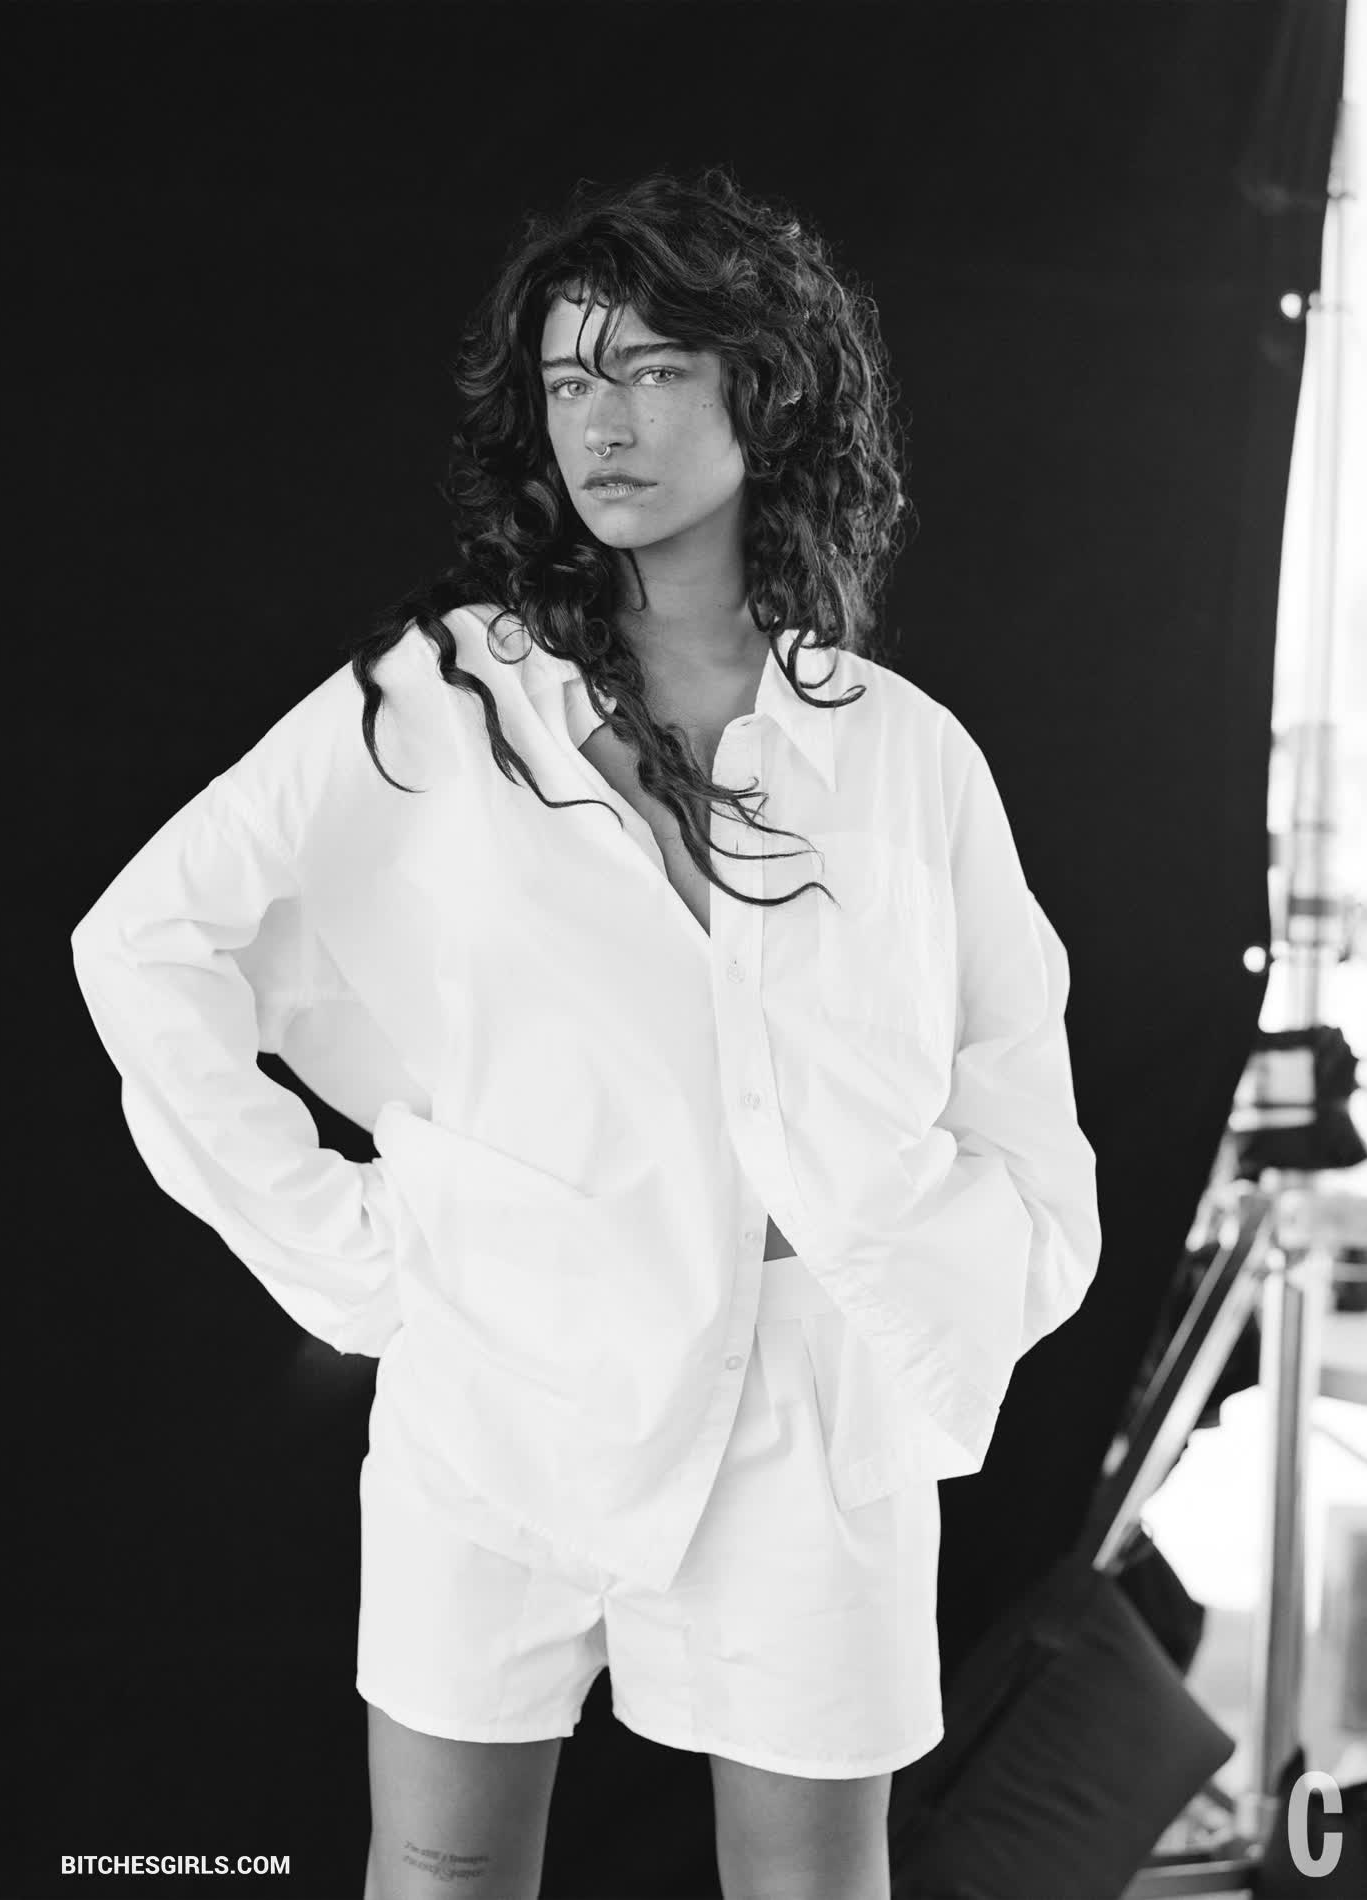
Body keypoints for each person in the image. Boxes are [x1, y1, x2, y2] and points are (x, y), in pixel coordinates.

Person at [69, 167, 1102, 1900]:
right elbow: (145, 944)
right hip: (506, 1364)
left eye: (649, 371)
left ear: (763, 391)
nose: (600, 424)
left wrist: (941, 1282)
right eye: (566, 380)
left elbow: (1014, 1077)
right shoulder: (439, 699)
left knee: (811, 1883)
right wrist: (355, 1254)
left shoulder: (899, 749)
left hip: (802, 1401)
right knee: (445, 1872)